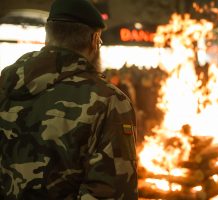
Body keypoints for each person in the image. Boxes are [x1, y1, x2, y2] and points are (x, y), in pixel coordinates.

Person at [0, 0, 138, 199]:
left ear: (48, 37)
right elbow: (112, 191)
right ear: (93, 39)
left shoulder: (5, 85)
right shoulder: (108, 101)